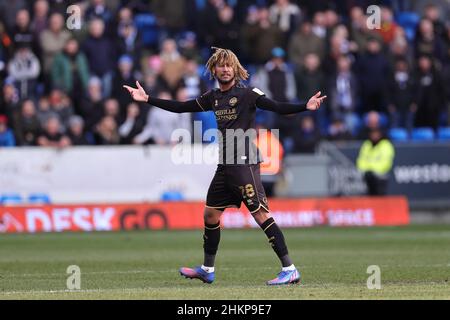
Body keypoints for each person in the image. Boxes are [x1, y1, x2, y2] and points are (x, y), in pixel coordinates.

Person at [124, 47, 326, 285]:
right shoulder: (213, 97)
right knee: (210, 215)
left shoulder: (249, 94)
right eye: (221, 65)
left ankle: (290, 268)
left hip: (244, 161)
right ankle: (207, 269)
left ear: (236, 69)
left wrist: (305, 106)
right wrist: (147, 99)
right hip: (226, 163)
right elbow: (182, 107)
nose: (225, 69)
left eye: (229, 65)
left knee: (260, 214)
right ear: (214, 69)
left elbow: (277, 107)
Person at [356, 128, 395, 196]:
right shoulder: (367, 144)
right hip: (367, 176)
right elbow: (361, 160)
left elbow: (386, 162)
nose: (374, 136)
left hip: (380, 176)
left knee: (379, 195)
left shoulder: (385, 145)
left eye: (376, 134)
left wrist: (373, 170)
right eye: (373, 134)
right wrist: (366, 170)